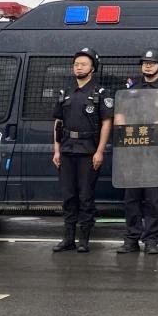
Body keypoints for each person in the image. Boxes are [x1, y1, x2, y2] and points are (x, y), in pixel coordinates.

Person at [117, 48, 158, 255]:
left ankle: (151, 240)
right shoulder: (132, 86)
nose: (148, 66)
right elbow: (119, 112)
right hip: (133, 148)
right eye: (145, 62)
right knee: (131, 198)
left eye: (152, 63)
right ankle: (131, 239)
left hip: (155, 150)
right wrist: (124, 128)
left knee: (153, 199)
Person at [51, 47, 112, 253]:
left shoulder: (100, 93)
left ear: (92, 68)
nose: (79, 67)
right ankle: (68, 238)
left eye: (84, 64)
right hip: (67, 149)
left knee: (85, 196)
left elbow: (107, 123)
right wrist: (57, 150)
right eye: (76, 64)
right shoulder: (66, 93)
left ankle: (84, 239)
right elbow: (58, 123)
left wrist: (100, 151)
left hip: (88, 151)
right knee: (68, 196)